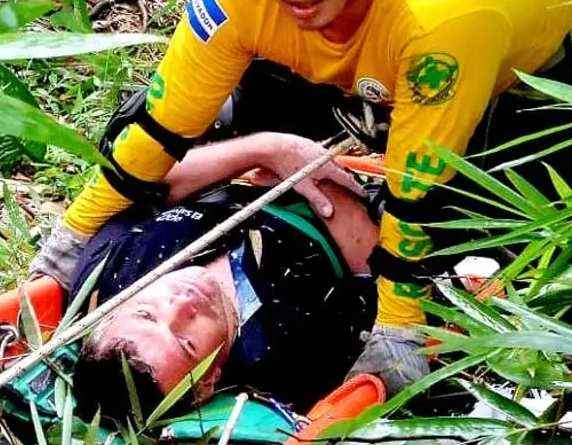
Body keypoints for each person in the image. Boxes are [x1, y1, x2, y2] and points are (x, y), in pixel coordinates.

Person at [35, 0, 572, 395]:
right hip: (345, 51)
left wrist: (399, 323)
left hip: (505, 56)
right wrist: (70, 239)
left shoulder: (445, 14)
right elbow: (157, 130)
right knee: (136, 126)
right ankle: (347, 88)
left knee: (525, 236)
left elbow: (417, 192)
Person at [70, 132, 380, 421]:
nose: (181, 304)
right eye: (186, 342)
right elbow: (374, 271)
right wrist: (319, 181)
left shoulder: (107, 277)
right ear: (208, 382)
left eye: (146, 314)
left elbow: (141, 183)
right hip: (347, 195)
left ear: (108, 318)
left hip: (241, 142)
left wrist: (266, 150)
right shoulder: (290, 359)